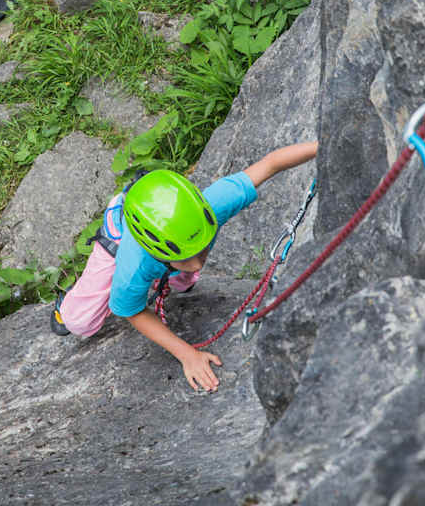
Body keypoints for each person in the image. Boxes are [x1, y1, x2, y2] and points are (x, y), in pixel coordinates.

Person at [50, 141, 318, 392]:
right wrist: (186, 354)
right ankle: (70, 302)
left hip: (160, 222)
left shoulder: (210, 208)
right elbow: (133, 312)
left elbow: (270, 163)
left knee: (184, 281)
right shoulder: (131, 270)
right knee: (81, 322)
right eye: (187, 256)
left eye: (201, 250)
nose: (198, 262)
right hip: (118, 238)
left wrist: (322, 146)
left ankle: (166, 275)